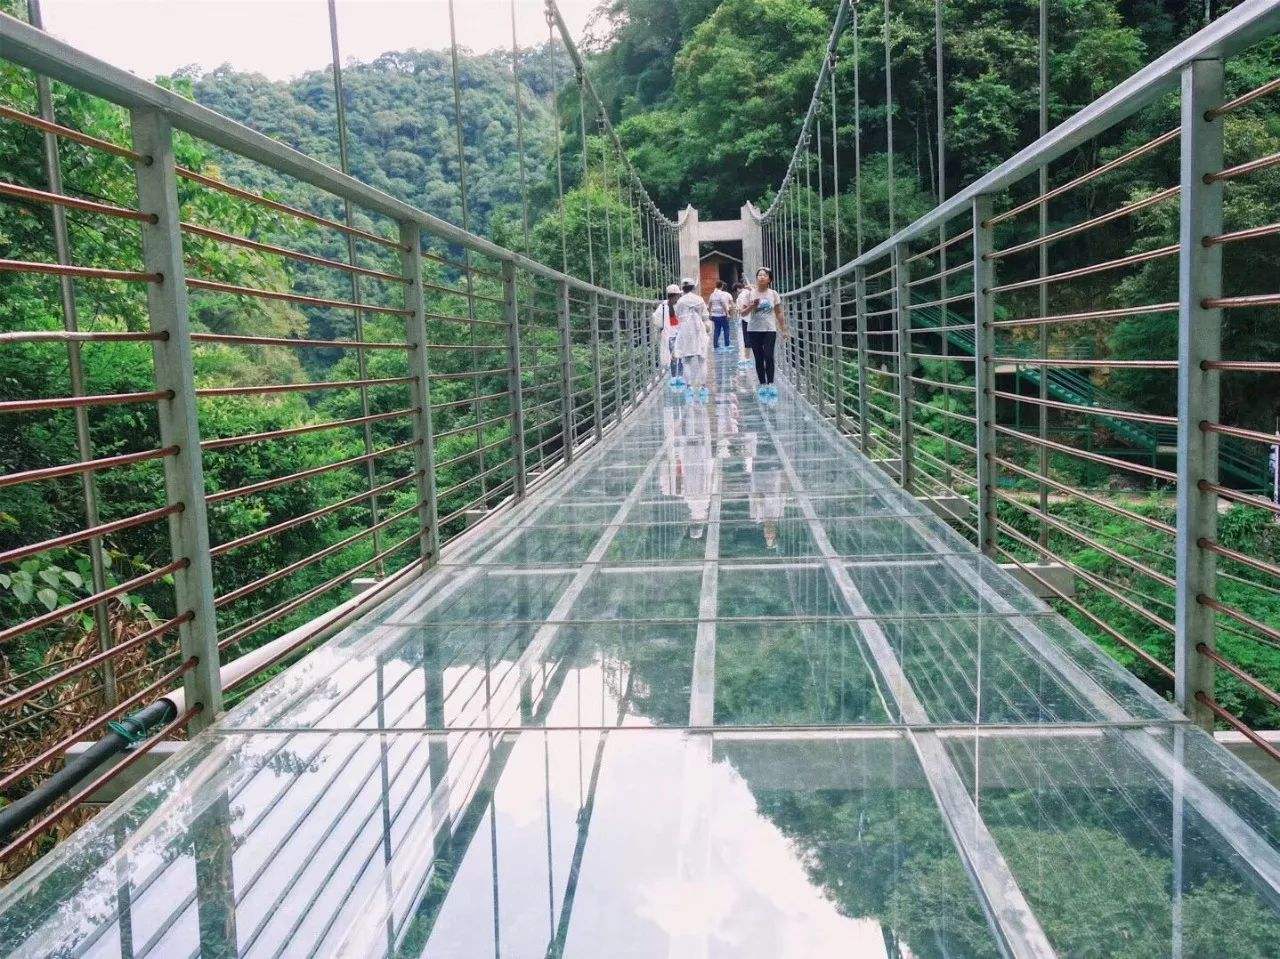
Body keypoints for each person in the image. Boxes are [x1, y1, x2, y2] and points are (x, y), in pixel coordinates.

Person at [744, 267, 787, 399]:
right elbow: (743, 313)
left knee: (769, 356)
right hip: (753, 329)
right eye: (759, 275)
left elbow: (779, 312)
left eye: (764, 275)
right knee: (758, 358)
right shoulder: (750, 294)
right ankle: (762, 384)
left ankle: (771, 383)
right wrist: (753, 306)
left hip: (769, 329)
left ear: (769, 279)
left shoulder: (773, 294)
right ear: (757, 278)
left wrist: (784, 329)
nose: (761, 277)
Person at [673, 277, 712, 402]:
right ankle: (703, 388)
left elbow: (678, 316)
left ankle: (689, 387)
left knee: (687, 361)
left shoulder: (680, 301)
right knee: (702, 360)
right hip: (698, 330)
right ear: (693, 287)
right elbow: (705, 315)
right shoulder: (699, 299)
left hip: (685, 331)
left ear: (682, 288)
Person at [652, 283, 683, 387]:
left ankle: (678, 377)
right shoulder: (664, 306)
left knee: (680, 357)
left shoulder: (665, 306)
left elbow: (656, 319)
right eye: (678, 295)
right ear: (674, 295)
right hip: (671, 335)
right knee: (675, 357)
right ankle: (676, 377)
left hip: (678, 334)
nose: (679, 297)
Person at [708, 280, 734, 353]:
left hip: (715, 315)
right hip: (722, 315)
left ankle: (715, 345)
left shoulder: (712, 294)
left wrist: (710, 313)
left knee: (717, 330)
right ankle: (727, 344)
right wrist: (728, 314)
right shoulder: (722, 294)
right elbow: (723, 304)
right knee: (726, 329)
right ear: (722, 286)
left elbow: (709, 304)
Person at [734, 281, 754, 368]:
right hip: (754, 319)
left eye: (736, 290)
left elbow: (742, 307)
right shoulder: (750, 291)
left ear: (738, 289)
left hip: (746, 318)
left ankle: (747, 359)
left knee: (747, 339)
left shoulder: (742, 295)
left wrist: (739, 309)